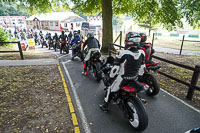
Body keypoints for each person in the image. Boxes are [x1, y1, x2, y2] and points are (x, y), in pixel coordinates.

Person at [99, 33, 146, 112]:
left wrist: (110, 77)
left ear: (129, 41)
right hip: (134, 77)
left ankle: (105, 106)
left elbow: (115, 69)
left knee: (110, 89)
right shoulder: (142, 52)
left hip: (122, 79)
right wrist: (138, 75)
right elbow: (142, 68)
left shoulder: (122, 53)